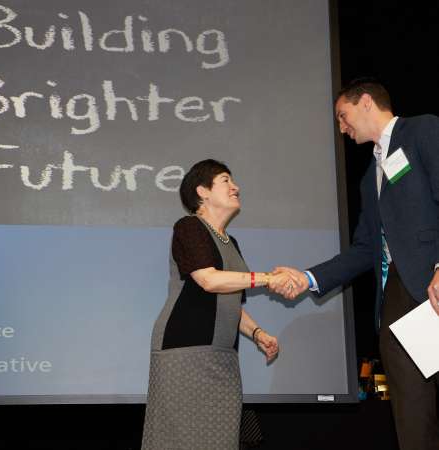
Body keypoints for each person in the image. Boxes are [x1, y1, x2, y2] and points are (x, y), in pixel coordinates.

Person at [270, 78, 439, 450]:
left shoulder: (422, 130)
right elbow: (364, 249)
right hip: (397, 298)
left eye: (342, 116)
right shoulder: (369, 178)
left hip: (434, 283)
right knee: (412, 411)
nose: (341, 128)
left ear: (365, 102)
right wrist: (309, 277)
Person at [141, 159, 281, 450]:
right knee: (180, 441)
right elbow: (208, 280)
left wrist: (258, 334)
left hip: (223, 357)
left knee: (219, 440)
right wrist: (267, 278)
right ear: (202, 191)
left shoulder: (232, 242)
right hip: (186, 350)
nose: (236, 187)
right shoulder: (189, 227)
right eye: (226, 180)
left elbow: (230, 302)